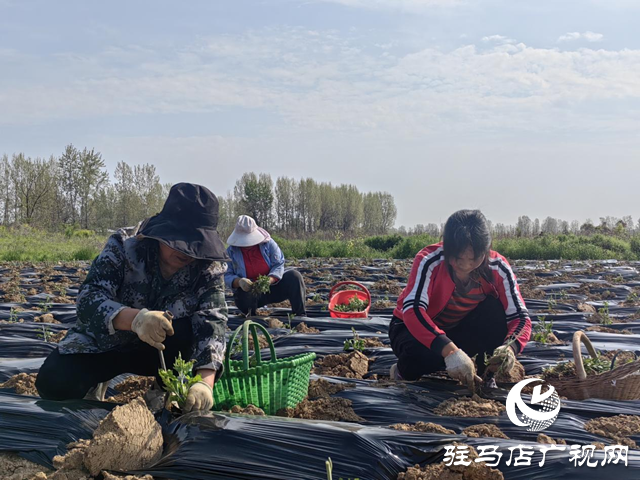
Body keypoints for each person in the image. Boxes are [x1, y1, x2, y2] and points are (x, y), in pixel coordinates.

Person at [35, 183, 229, 413]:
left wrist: (204, 383)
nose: (187, 254)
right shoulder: (125, 245)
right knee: (54, 382)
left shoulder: (207, 268)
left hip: (162, 353)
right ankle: (95, 384)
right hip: (107, 344)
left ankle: (166, 391)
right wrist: (136, 319)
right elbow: (90, 298)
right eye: (180, 243)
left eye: (194, 247)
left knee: (187, 332)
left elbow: (213, 321)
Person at [388, 209, 531, 389]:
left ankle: (485, 375)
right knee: (426, 355)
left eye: (474, 259)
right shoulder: (430, 260)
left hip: (457, 327)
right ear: (447, 248)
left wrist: (510, 348)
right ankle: (402, 371)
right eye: (457, 257)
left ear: (485, 252)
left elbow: (520, 317)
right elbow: (412, 311)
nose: (465, 264)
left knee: (495, 311)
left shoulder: (498, 267)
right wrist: (451, 351)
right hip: (409, 329)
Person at [225, 215, 306, 317]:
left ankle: (300, 316)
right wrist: (239, 282)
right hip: (250, 293)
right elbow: (226, 275)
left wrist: (269, 280)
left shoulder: (268, 244)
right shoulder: (231, 252)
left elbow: (278, 264)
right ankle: (251, 318)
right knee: (242, 295)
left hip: (273, 288)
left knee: (294, 276)